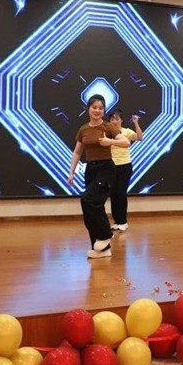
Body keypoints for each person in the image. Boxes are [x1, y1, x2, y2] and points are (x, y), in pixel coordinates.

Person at [68, 95, 131, 259]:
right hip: (90, 169)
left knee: (87, 200)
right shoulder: (83, 129)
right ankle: (102, 249)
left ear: (103, 110)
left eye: (101, 108)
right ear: (88, 109)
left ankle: (105, 234)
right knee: (95, 206)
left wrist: (110, 142)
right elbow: (77, 152)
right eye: (94, 107)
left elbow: (126, 142)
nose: (97, 110)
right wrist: (71, 172)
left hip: (106, 169)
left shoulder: (108, 127)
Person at [106, 109, 143, 232]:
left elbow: (140, 138)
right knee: (113, 194)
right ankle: (117, 221)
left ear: (121, 120)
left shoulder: (127, 131)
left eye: (117, 119)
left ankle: (123, 221)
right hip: (111, 166)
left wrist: (136, 123)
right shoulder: (107, 132)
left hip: (124, 166)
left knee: (121, 193)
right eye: (112, 119)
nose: (114, 121)